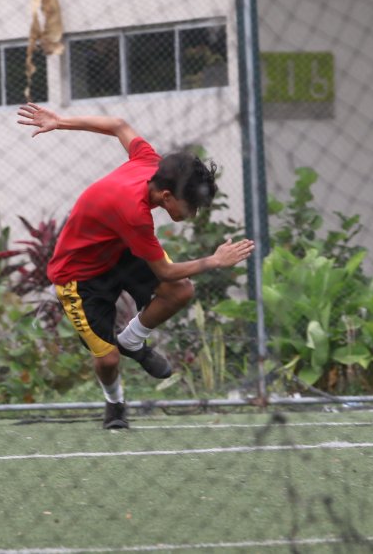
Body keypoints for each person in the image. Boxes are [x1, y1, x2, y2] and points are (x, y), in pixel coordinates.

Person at [17, 102, 255, 430]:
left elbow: (118, 124)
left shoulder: (151, 163)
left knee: (180, 292)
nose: (194, 215)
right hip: (78, 274)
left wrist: (60, 121)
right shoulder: (134, 213)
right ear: (168, 196)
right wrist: (214, 261)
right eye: (192, 207)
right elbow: (165, 272)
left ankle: (131, 339)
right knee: (108, 359)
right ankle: (115, 404)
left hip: (118, 252)